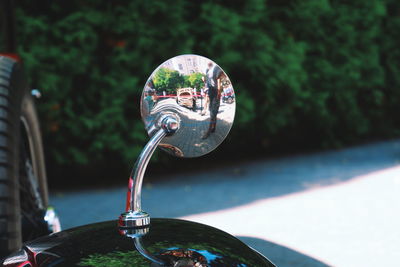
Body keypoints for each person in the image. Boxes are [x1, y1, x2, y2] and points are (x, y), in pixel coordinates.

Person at [202, 61, 224, 139]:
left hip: (215, 94)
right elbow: (208, 83)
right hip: (210, 94)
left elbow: (219, 81)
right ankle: (213, 128)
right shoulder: (207, 71)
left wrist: (218, 93)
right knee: (213, 112)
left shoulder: (216, 68)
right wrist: (204, 81)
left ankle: (208, 131)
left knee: (212, 113)